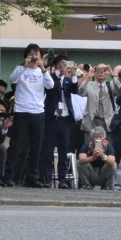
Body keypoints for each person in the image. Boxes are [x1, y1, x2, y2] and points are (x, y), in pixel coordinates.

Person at [3, 43, 54, 187]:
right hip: (21, 111)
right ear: (26, 56)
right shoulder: (20, 69)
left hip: (38, 112)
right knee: (16, 146)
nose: (33, 57)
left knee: (36, 147)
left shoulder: (42, 72)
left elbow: (50, 86)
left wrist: (43, 69)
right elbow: (12, 79)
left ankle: (32, 177)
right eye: (31, 54)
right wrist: (24, 66)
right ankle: (9, 176)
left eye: (36, 54)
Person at [39, 55, 79, 189]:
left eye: (65, 63)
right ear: (56, 65)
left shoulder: (68, 81)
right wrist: (56, 73)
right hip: (52, 119)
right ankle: (48, 179)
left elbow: (74, 90)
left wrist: (73, 75)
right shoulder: (51, 78)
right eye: (61, 63)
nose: (64, 66)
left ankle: (63, 180)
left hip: (65, 120)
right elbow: (50, 87)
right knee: (48, 151)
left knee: (64, 151)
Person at [78, 63, 115, 144]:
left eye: (104, 70)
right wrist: (88, 78)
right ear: (95, 72)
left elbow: (120, 90)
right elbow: (81, 92)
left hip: (107, 122)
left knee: (106, 148)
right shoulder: (89, 84)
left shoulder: (111, 85)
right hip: (92, 120)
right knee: (89, 147)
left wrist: (112, 75)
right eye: (99, 70)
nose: (101, 72)